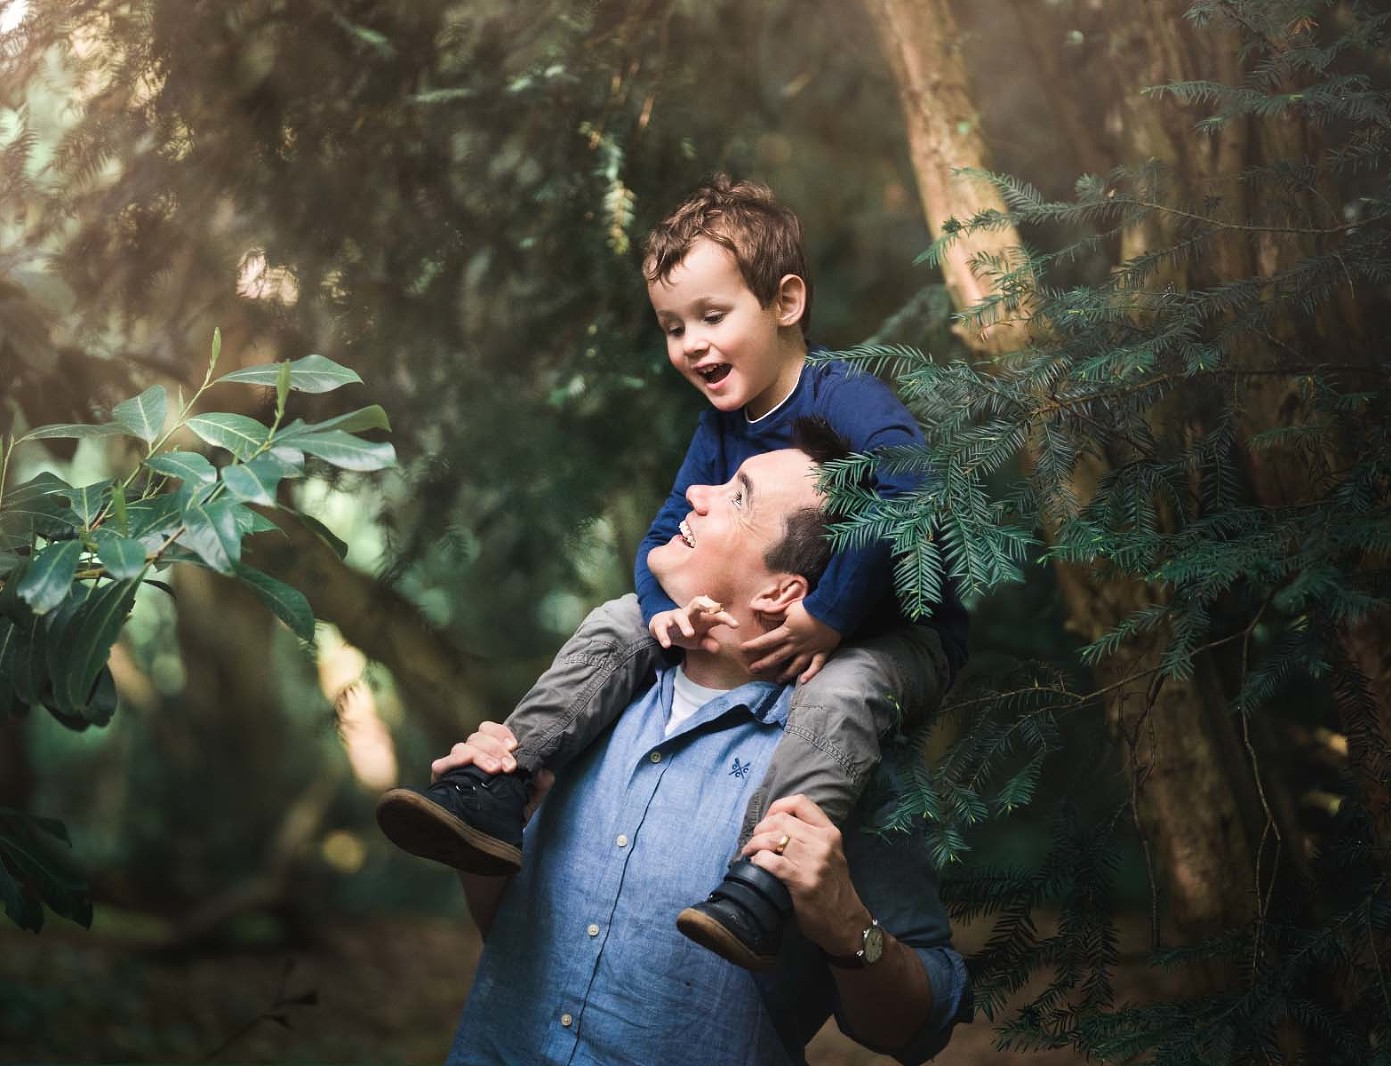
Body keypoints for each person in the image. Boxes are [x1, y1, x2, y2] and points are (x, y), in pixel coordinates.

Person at [377, 176, 967, 968]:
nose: (690, 343)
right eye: (672, 325)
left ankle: (762, 879)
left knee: (843, 690)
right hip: (784, 610)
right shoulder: (721, 425)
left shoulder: (846, 396)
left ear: (786, 302)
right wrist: (663, 610)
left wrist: (831, 613)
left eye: (712, 317)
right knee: (622, 618)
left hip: (899, 632)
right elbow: (662, 532)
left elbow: (909, 489)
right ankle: (500, 783)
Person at [442, 443, 967, 1065]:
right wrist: (483, 844)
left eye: (737, 496)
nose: (695, 495)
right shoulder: (584, 709)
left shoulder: (847, 767)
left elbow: (919, 1029)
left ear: (782, 593)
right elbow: (508, 935)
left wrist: (847, 925)